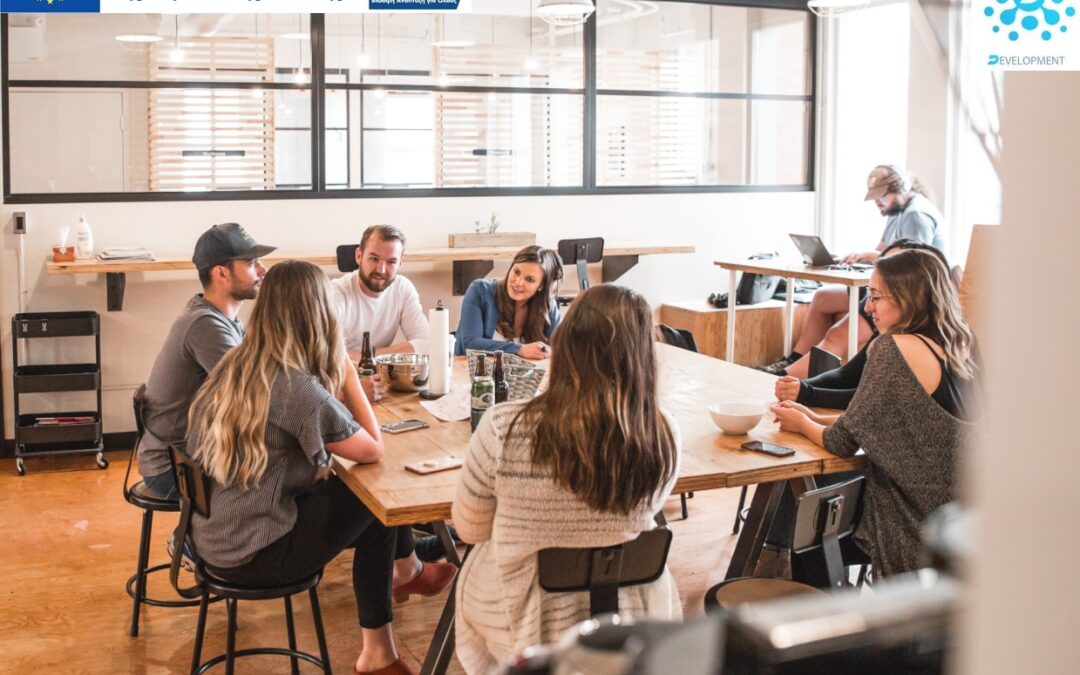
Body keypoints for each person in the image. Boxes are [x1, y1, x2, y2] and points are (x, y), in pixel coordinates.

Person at [185, 260, 451, 675]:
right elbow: (372, 448)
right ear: (320, 315)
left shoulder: (236, 366)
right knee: (374, 495)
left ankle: (406, 575)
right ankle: (383, 639)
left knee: (360, 495)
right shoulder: (293, 386)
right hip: (256, 552)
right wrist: (345, 368)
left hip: (214, 536)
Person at [453, 284, 682, 674]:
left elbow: (470, 528)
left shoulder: (506, 426)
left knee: (479, 559)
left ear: (565, 343)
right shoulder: (661, 432)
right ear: (643, 355)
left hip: (525, 615)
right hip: (631, 612)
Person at [771, 249, 979, 578]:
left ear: (907, 298)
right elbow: (876, 422)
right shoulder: (958, 345)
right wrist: (809, 417)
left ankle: (826, 624)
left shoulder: (894, 348)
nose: (868, 308)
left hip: (912, 527)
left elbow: (840, 442)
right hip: (960, 523)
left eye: (875, 296)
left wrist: (801, 423)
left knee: (808, 536)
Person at [761, 165, 947, 377]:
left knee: (837, 334)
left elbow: (912, 266)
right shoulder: (897, 212)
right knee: (823, 298)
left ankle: (788, 379)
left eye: (881, 197)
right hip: (890, 287)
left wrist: (872, 257)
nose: (877, 203)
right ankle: (795, 359)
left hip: (906, 296)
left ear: (900, 189)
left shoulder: (917, 215)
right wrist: (858, 257)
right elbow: (882, 251)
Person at [136, 223, 275, 499]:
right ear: (221, 273)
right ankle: (195, 541)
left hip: (194, 457)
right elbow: (256, 392)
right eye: (251, 263)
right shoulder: (205, 325)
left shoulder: (225, 320)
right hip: (176, 470)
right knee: (286, 484)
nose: (263, 271)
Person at [774, 239, 955, 410]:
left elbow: (868, 406)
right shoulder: (901, 330)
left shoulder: (907, 346)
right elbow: (849, 376)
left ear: (910, 292)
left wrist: (806, 394)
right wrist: (800, 387)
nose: (868, 308)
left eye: (876, 296)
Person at [331, 225, 429, 402]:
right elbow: (328, 355)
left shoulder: (403, 288)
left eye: (391, 262)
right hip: (343, 387)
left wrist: (373, 357)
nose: (381, 270)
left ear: (400, 263)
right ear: (359, 256)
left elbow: (427, 344)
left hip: (383, 387)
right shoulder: (336, 294)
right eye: (374, 259)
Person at [455, 245, 563, 359]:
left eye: (530, 279)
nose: (518, 282)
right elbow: (471, 344)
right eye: (516, 271)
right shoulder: (480, 290)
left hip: (525, 375)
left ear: (541, 285)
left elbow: (560, 348)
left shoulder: (547, 305)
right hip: (471, 373)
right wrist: (519, 349)